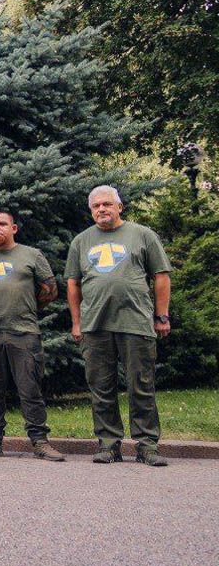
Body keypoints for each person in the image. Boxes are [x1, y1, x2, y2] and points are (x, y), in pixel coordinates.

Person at [66, 185, 172, 466]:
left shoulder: (143, 235)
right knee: (101, 387)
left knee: (141, 385)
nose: (102, 209)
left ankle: (147, 445)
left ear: (119, 207)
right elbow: (73, 284)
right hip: (95, 324)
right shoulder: (81, 241)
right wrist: (77, 322)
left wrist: (162, 316)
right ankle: (108, 444)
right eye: (96, 206)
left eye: (107, 204)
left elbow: (161, 276)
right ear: (91, 211)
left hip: (136, 322)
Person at [0, 210, 65, 461]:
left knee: (30, 390)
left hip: (24, 332)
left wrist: (29, 307)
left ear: (13, 228)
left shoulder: (32, 255)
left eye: (2, 224)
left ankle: (40, 442)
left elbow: (50, 290)